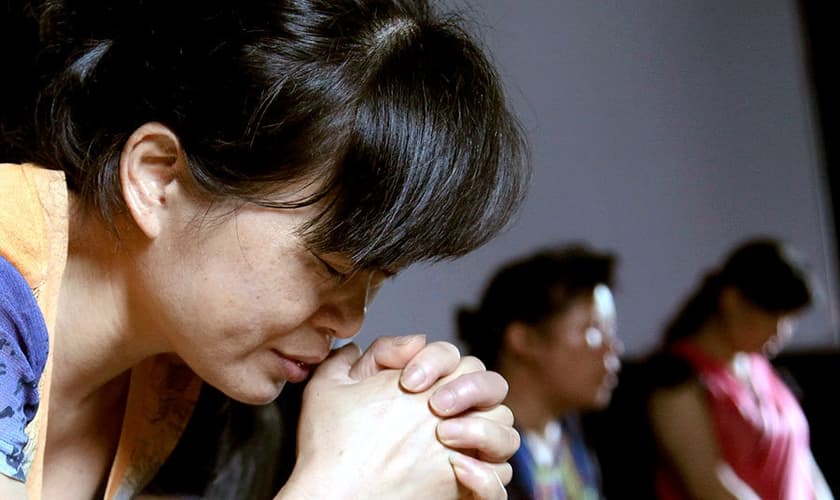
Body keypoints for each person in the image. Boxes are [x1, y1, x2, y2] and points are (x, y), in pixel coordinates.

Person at [0, 0, 530, 498]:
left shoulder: (185, 375)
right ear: (157, 177)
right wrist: (343, 484)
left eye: (378, 278)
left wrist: (405, 453)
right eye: (331, 267)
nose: (351, 322)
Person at [646, 237, 834, 499]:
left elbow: (802, 464)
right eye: (773, 315)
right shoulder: (677, 377)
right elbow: (710, 485)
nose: (780, 332)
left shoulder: (765, 372)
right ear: (732, 299)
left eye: (789, 320)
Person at [457, 245, 622, 500]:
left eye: (610, 332)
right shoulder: (473, 447)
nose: (612, 348)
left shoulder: (575, 442)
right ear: (523, 339)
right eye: (592, 330)